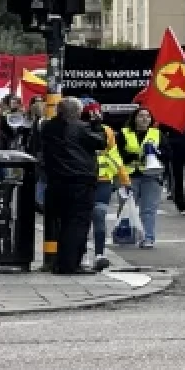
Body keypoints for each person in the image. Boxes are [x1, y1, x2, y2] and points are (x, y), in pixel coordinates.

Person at [39, 97, 108, 274]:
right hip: (79, 181)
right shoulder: (80, 127)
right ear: (75, 112)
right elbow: (100, 142)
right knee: (77, 223)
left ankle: (60, 262)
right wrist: (97, 124)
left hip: (56, 181)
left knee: (62, 223)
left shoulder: (48, 127)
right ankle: (69, 264)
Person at [82, 101, 130, 271]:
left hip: (103, 180)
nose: (96, 116)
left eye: (98, 113)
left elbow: (115, 155)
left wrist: (124, 179)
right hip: (84, 181)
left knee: (99, 214)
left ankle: (100, 254)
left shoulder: (107, 131)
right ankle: (83, 253)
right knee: (84, 218)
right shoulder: (79, 130)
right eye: (92, 114)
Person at [120, 107, 165, 248]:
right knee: (126, 208)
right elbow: (117, 153)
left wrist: (156, 153)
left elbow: (168, 153)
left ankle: (148, 237)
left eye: (147, 116)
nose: (145, 119)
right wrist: (135, 156)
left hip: (151, 176)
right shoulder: (124, 133)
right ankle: (126, 235)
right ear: (134, 118)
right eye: (141, 116)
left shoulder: (156, 134)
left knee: (148, 209)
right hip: (130, 176)